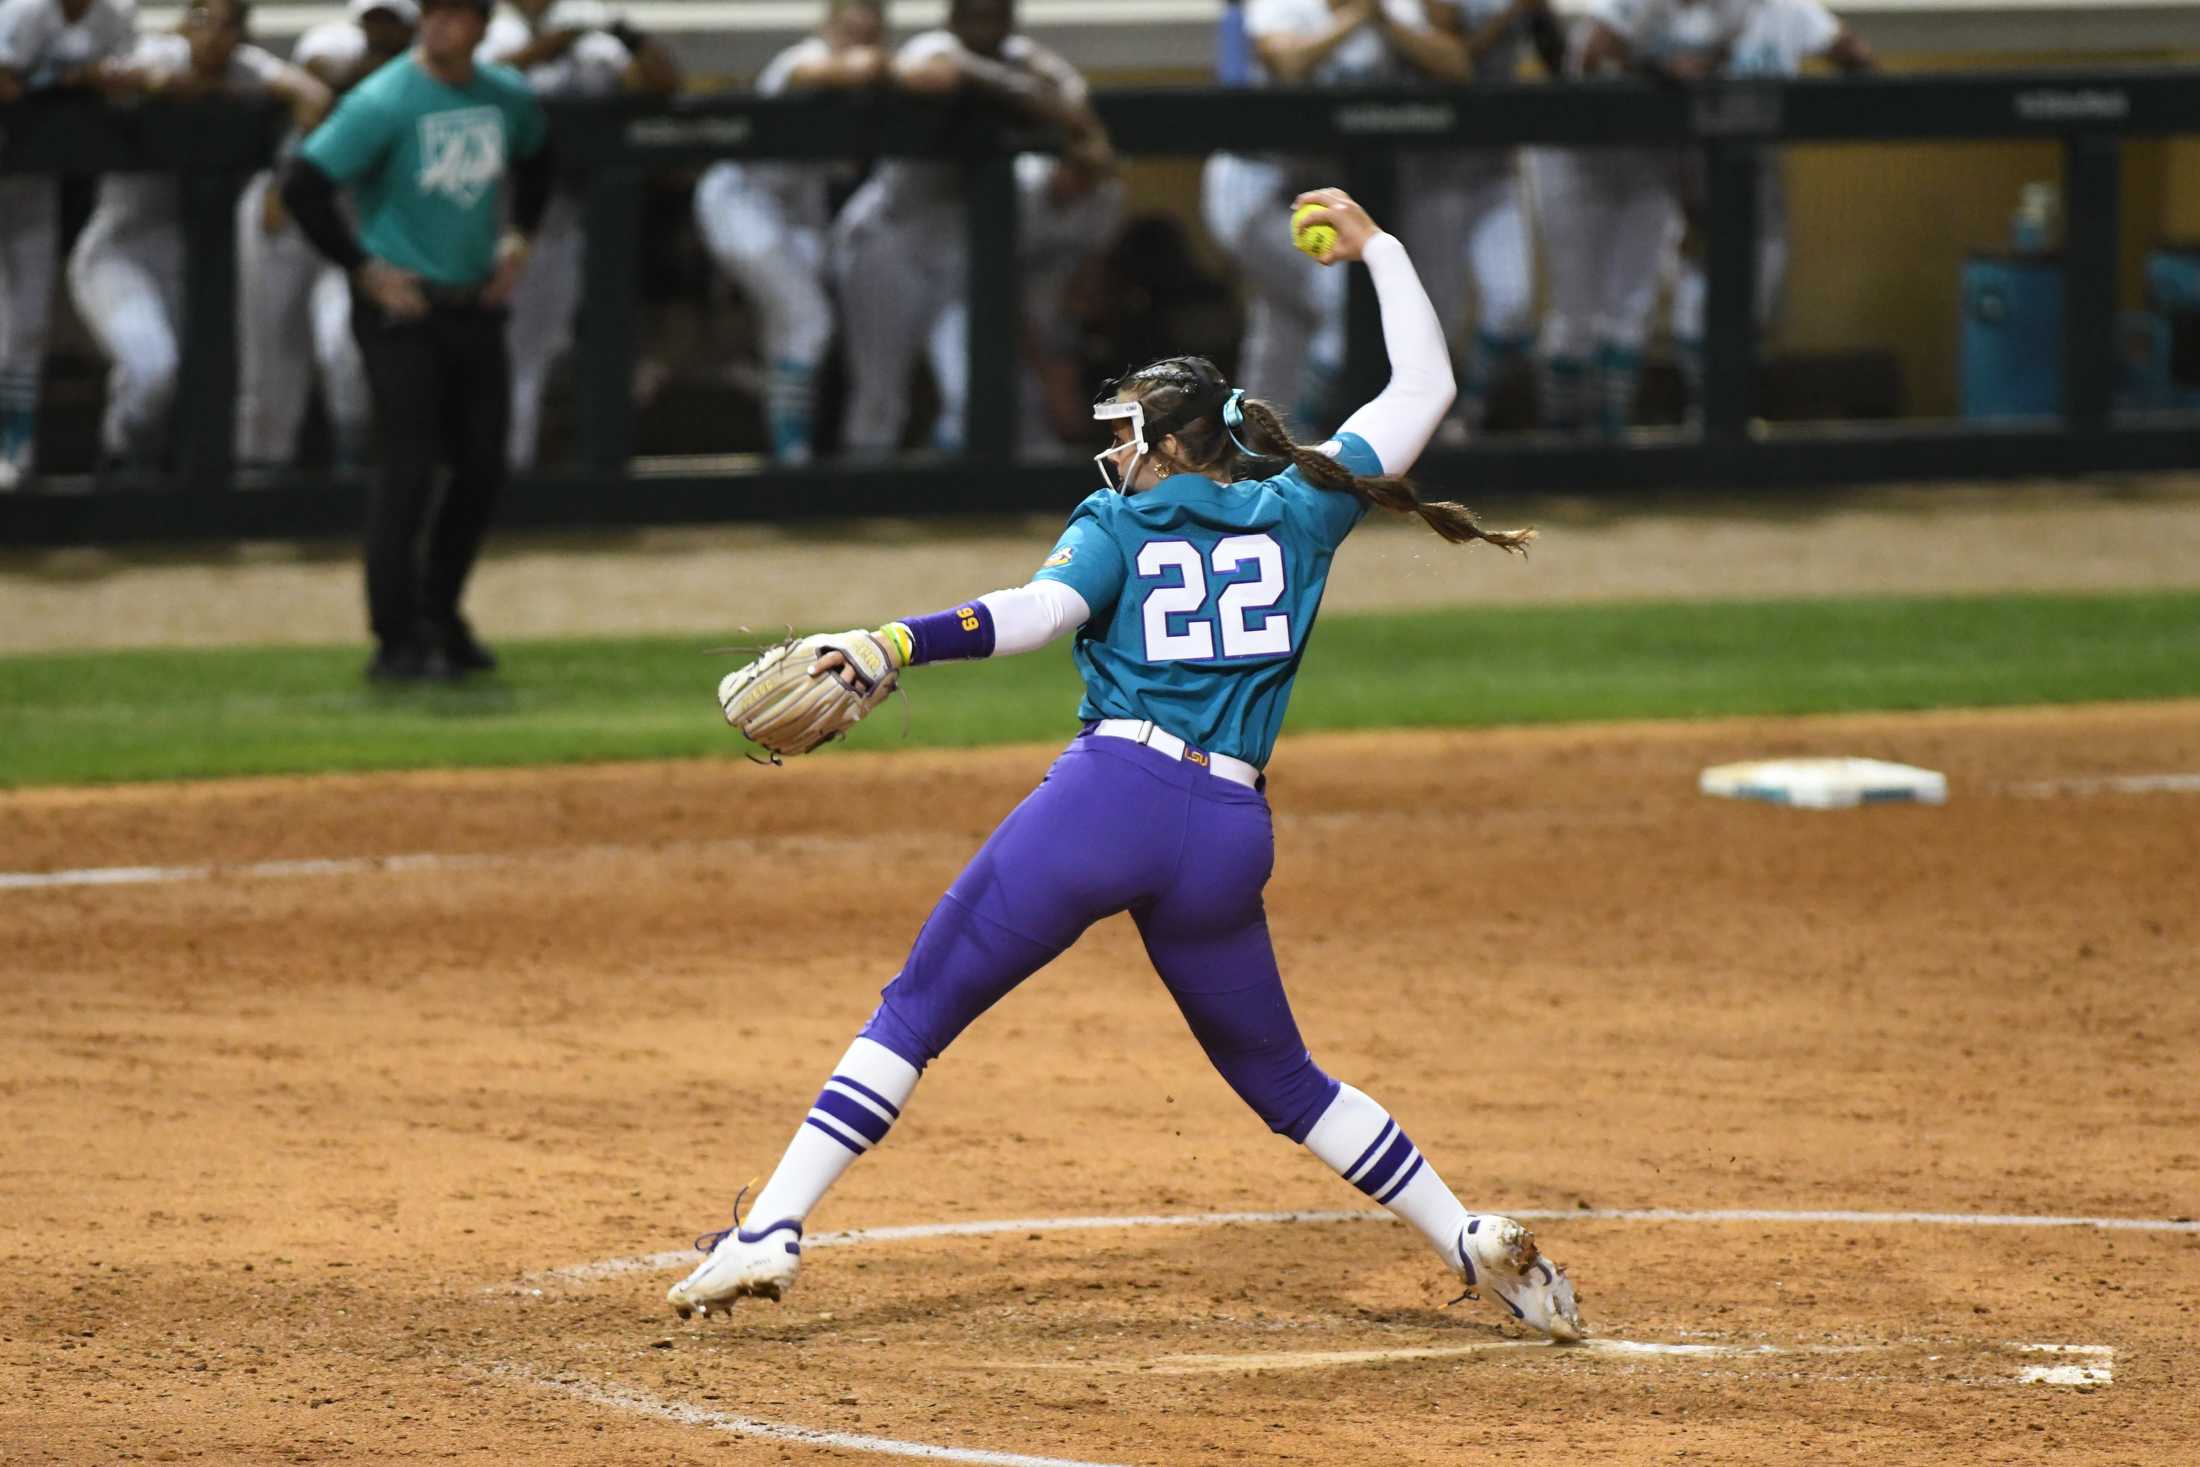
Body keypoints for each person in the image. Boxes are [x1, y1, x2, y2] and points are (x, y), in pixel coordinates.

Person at [664, 187, 1583, 1345]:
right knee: (1284, 1081)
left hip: (1112, 800)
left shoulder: (1116, 528)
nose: (1110, 445)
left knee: (916, 1008)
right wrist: (1381, 248)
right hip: (1227, 835)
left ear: (1164, 440)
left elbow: (1037, 614)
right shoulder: (1300, 506)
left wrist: (898, 641)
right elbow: (1426, 390)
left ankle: (773, 1228)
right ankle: (1465, 1236)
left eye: (1124, 427)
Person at [281, 0, 551, 681]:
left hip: (473, 302)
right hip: (403, 310)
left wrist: (518, 239)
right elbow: (305, 184)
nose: (439, 25)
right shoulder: (383, 101)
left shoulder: (505, 97)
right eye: (432, 12)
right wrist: (363, 268)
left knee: (482, 464)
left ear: (482, 27)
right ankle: (396, 635)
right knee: (407, 465)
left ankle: (442, 612)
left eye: (455, 14)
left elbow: (541, 157)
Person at [830, 0, 1121, 458]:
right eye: (974, 14)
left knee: (973, 393)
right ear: (953, 18)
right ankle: (856, 510)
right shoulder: (937, 47)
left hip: (956, 247)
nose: (985, 24)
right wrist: (1015, 89)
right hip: (890, 236)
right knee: (880, 396)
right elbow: (937, 76)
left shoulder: (1024, 57)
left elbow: (1075, 106)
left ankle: (953, 513)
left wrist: (1026, 87)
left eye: (995, 13)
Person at [67, 0, 328, 472]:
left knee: (193, 380)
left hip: (187, 253)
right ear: (185, 25)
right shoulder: (157, 52)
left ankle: (143, 479)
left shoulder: (247, 67)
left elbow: (312, 94)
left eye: (229, 25)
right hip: (119, 246)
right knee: (152, 370)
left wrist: (282, 171)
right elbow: (88, 74)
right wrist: (151, 82)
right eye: (205, 21)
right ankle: (119, 461)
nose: (215, 35)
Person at [1200, 1, 1418, 430]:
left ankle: (1258, 448)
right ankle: (1318, 439)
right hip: (1255, 178)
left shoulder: (1395, 9)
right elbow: (1286, 62)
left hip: (1318, 185)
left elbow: (1451, 63)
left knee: (1284, 324)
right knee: (1339, 299)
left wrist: (1387, 20)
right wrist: (1359, 16)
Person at [483, 0, 679, 470]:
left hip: (562, 222)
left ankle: (519, 471)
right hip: (489, 221)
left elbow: (664, 86)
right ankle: (502, 473)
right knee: (501, 361)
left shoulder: (594, 39)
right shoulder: (488, 31)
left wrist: (623, 32)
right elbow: (473, 82)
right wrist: (550, 44)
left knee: (541, 357)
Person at [693, 0, 886, 465]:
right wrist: (880, 62)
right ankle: (791, 451)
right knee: (810, 322)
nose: (857, 40)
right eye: (848, 29)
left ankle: (788, 456)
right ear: (827, 26)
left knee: (791, 334)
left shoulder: (860, 102)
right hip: (739, 197)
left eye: (868, 31)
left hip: (791, 211)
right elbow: (819, 74)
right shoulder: (801, 58)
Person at [1665, 0, 1871, 415]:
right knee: (1694, 306)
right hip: (1689, 177)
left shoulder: (1787, 9)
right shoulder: (1683, 10)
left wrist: (1848, 61)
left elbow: (1856, 56)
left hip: (1761, 178)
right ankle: (1702, 413)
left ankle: (1733, 415)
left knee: (1756, 301)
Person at [234, 0, 412, 470]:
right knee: (271, 355)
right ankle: (260, 473)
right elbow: (316, 83)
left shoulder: (424, 71)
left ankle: (350, 469)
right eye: (375, 18)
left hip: (352, 219)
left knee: (344, 351)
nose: (381, 28)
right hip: (289, 210)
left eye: (393, 21)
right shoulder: (335, 40)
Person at [1388, 0, 1566, 441]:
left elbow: (1557, 58)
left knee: (1512, 303)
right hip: (1430, 169)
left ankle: (1472, 410)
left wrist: (1541, 15)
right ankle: (1426, 427)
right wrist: (1507, 15)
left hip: (1495, 168)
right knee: (1438, 315)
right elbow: (1455, 58)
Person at [0, 0, 139, 490]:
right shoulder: (19, 12)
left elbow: (130, 85)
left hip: (35, 184)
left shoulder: (115, 14)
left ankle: (15, 451)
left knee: (30, 326)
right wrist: (66, 81)